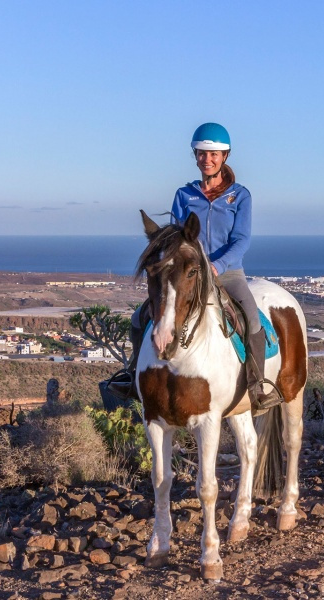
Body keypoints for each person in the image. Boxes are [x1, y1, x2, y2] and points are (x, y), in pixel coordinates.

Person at [130, 123, 282, 413]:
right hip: (187, 275)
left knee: (251, 321)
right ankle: (132, 376)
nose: (206, 159)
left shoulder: (240, 196)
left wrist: (217, 264)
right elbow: (175, 237)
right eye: (201, 154)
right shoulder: (184, 194)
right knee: (140, 319)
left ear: (224, 156)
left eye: (213, 154)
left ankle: (257, 386)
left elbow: (241, 240)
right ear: (196, 156)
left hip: (227, 273)